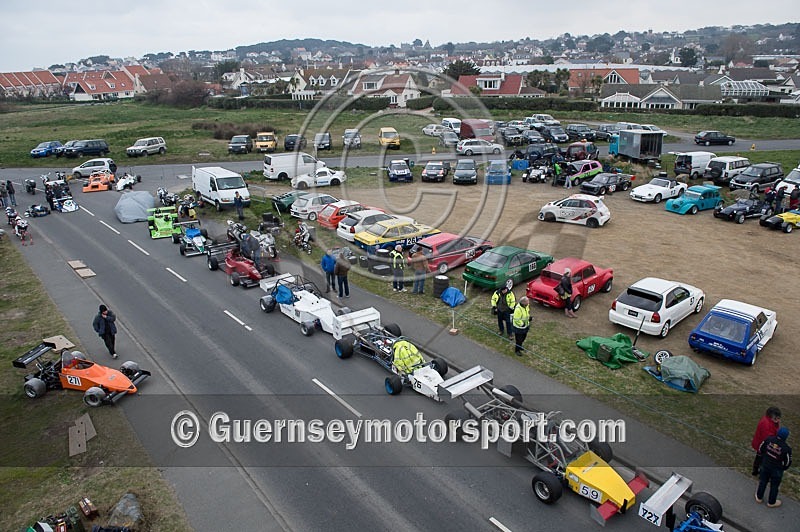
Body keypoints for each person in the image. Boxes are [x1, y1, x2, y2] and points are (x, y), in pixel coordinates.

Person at [756, 427, 792, 508]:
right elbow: (788, 462)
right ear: (786, 437)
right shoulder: (786, 448)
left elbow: (761, 448)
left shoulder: (769, 439)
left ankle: (759, 497)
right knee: (774, 486)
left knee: (763, 481)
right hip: (776, 469)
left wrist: (764, 457)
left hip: (765, 465)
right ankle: (771, 502)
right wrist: (783, 468)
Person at [752, 406, 782, 476]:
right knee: (760, 458)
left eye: (778, 418)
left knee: (760, 458)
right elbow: (767, 438)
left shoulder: (771, 421)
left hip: (764, 444)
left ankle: (757, 470)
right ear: (770, 416)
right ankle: (756, 471)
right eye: (776, 418)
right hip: (762, 444)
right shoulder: (765, 424)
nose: (778, 420)